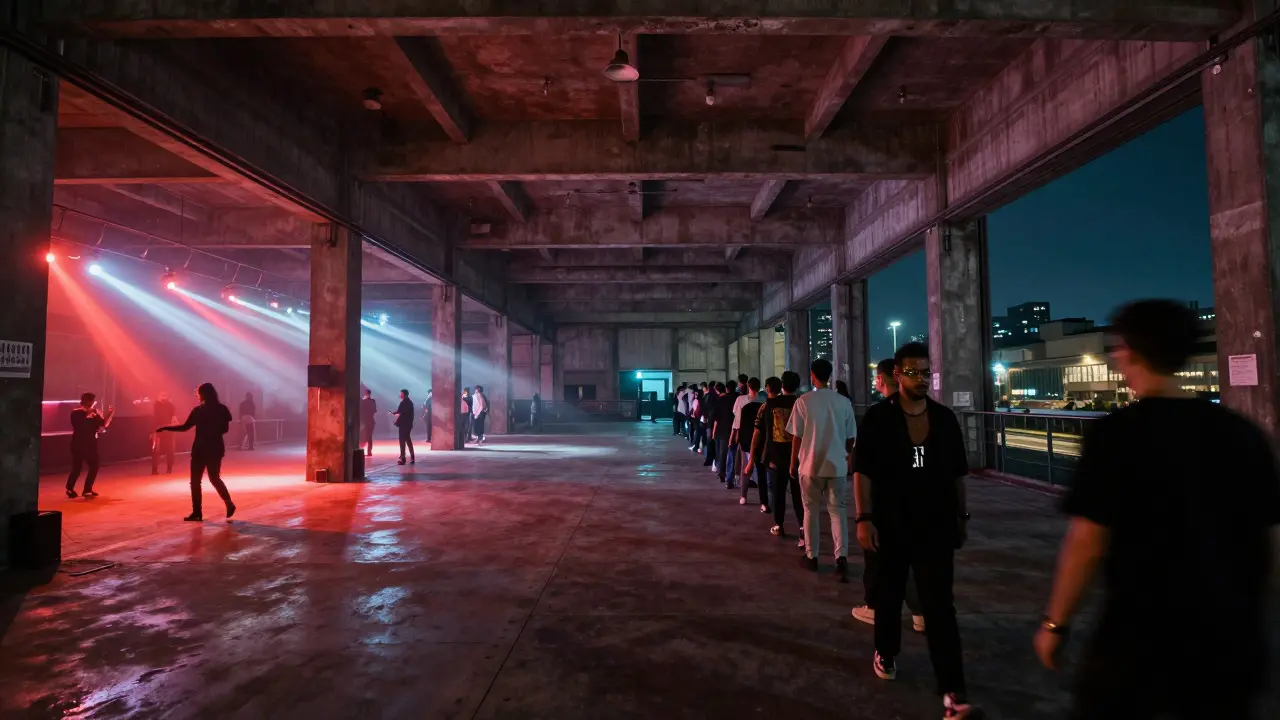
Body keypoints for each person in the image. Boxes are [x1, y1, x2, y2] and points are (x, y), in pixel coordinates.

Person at [1035, 300, 1280, 719]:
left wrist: (1055, 624)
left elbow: (1087, 543)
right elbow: (1270, 539)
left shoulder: (1116, 434)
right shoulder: (1242, 433)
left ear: (1128, 351)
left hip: (1139, 641)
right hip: (1228, 641)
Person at [854, 342, 977, 719]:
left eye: (926, 372)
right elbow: (863, 471)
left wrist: (961, 517)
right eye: (913, 372)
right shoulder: (878, 418)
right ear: (897, 375)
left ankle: (952, 689)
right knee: (888, 597)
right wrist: (864, 518)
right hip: (890, 525)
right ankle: (886, 653)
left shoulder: (944, 419)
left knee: (940, 607)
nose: (921, 379)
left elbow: (957, 474)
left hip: (935, 526)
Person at [852, 358, 926, 633]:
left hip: (885, 500)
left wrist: (863, 515)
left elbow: (862, 467)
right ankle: (921, 612)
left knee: (878, 556)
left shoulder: (877, 416)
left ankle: (875, 607)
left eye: (876, 377)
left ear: (883, 379)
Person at [786, 359, 856, 580]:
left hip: (810, 466)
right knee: (838, 512)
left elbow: (796, 437)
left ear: (812, 375)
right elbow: (851, 438)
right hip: (837, 467)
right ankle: (841, 559)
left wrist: (793, 463)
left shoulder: (804, 401)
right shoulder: (843, 402)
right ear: (830, 375)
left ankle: (812, 556)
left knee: (810, 512)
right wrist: (846, 455)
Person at [156, 383, 235, 521]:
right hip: (215, 448)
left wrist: (167, 428)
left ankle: (197, 512)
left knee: (195, 481)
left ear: (203, 394)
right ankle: (228, 503)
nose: (197, 396)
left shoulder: (198, 411)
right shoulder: (221, 409)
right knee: (214, 478)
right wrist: (213, 432)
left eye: (198, 393)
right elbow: (225, 429)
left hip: (200, 448)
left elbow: (185, 427)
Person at [748, 373, 804, 546]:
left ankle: (779, 525)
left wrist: (751, 457)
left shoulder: (768, 405)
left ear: (782, 386)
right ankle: (803, 528)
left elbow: (757, 432)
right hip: (799, 457)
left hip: (775, 457)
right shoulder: (802, 404)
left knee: (778, 493)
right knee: (799, 495)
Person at [66, 392, 113, 498]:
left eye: (92, 400)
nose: (91, 403)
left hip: (91, 444)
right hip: (78, 443)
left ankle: (87, 489)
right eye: (90, 400)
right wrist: (89, 413)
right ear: (84, 401)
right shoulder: (76, 412)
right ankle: (69, 488)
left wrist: (109, 414)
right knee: (77, 467)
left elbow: (103, 424)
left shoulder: (94, 413)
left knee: (94, 466)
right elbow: (79, 425)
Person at [733, 377, 768, 511]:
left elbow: (738, 421)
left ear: (748, 386)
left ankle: (743, 495)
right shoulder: (764, 401)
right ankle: (763, 501)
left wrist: (736, 436)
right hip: (761, 440)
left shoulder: (741, 400)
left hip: (746, 439)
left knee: (745, 468)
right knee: (761, 470)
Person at [713, 381, 738, 487]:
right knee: (732, 454)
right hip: (734, 429)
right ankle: (730, 475)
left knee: (722, 453)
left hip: (721, 430)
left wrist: (714, 431)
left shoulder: (721, 400)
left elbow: (715, 417)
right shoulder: (738, 398)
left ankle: (722, 474)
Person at [151, 391, 176, 475]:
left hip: (167, 429)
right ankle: (155, 469)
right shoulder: (157, 405)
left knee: (170, 449)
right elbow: (156, 417)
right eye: (163, 396)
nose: (164, 397)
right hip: (159, 429)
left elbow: (173, 417)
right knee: (156, 450)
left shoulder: (170, 406)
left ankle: (168, 468)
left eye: (166, 396)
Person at [392, 389, 415, 465]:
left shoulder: (404, 403)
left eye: (401, 394)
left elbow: (400, 412)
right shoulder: (409, 402)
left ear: (404, 394)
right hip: (408, 425)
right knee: (408, 440)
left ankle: (403, 458)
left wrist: (394, 414)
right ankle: (412, 457)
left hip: (404, 425)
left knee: (402, 441)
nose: (400, 395)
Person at [701, 383, 720, 470]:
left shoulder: (708, 397)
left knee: (710, 441)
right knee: (714, 442)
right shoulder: (717, 397)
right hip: (716, 422)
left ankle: (710, 459)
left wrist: (706, 417)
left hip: (710, 421)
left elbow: (704, 408)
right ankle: (714, 460)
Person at [359, 388, 377, 457]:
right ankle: (368, 451)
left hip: (366, 421)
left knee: (366, 436)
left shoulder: (365, 401)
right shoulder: (372, 401)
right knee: (368, 436)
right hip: (369, 421)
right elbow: (374, 410)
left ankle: (367, 451)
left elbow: (373, 410)